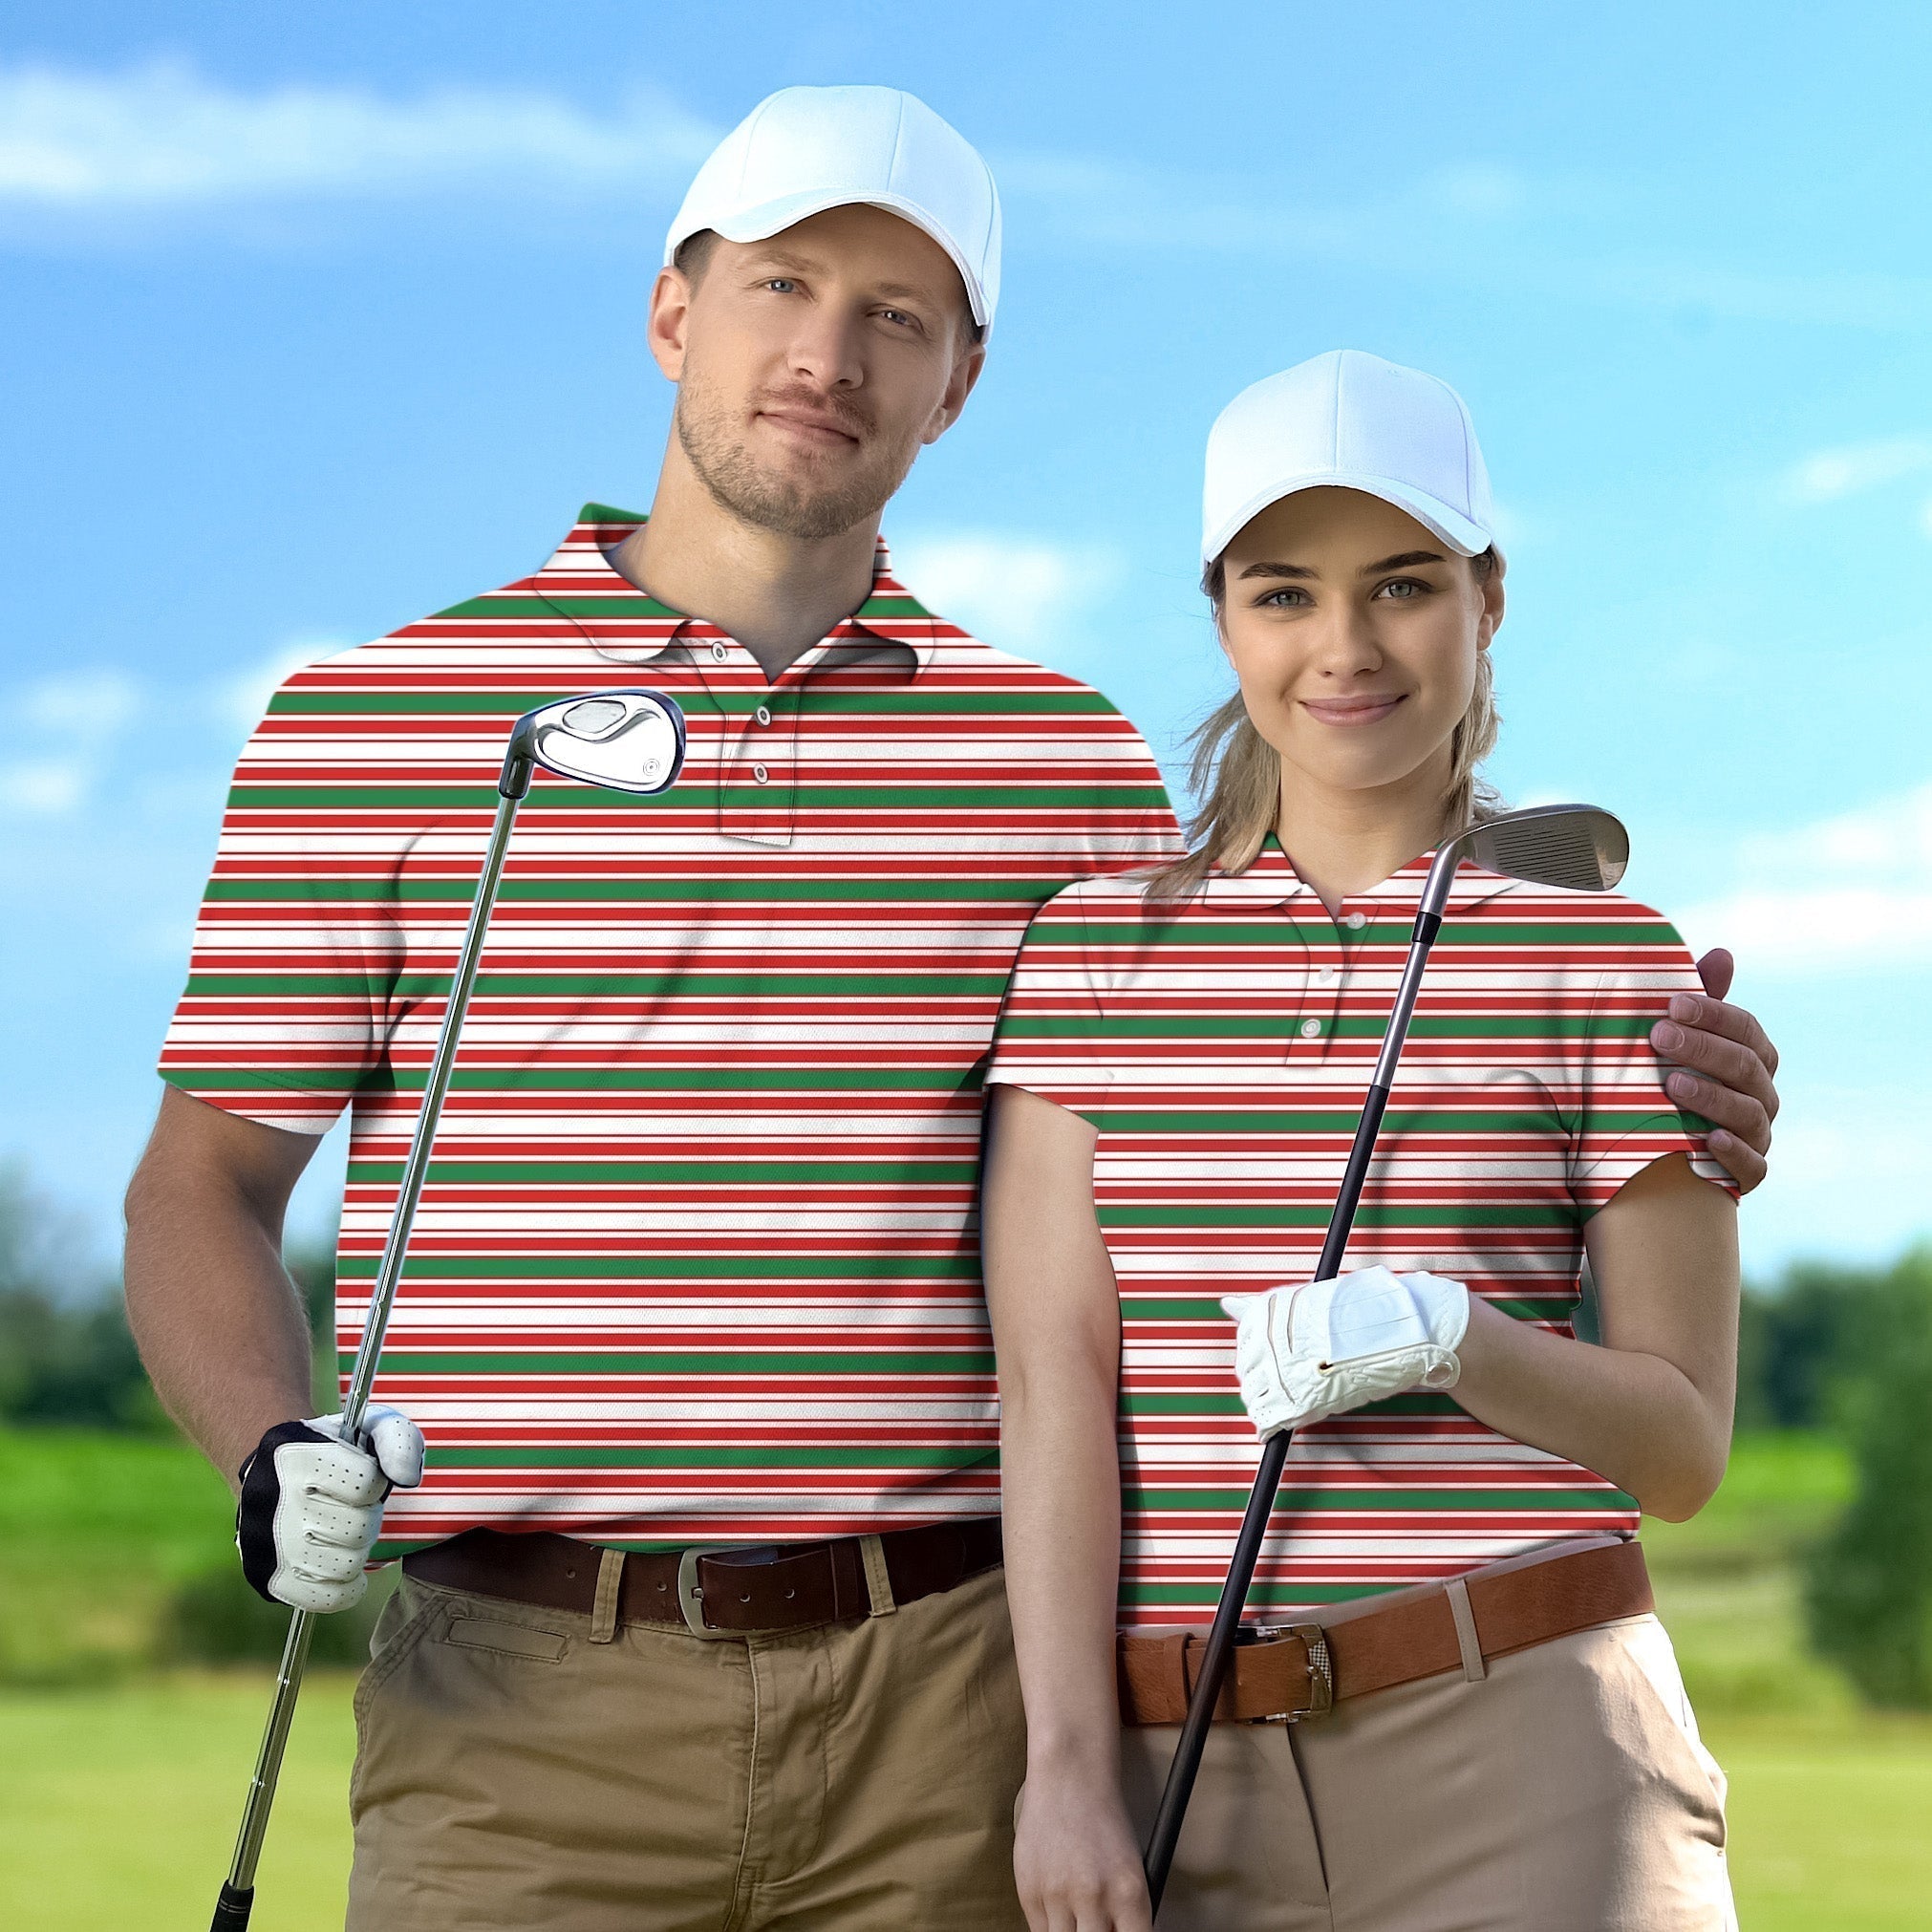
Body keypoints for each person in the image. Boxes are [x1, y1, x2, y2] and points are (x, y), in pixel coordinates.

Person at [120, 86, 1777, 1929]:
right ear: (674, 310)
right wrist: (269, 1451)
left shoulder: (1055, 760)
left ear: (958, 380)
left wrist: (1657, 1072)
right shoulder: (377, 720)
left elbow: (1252, 1102)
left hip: (945, 1699)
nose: (826, 355)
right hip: (515, 1703)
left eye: (894, 316)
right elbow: (200, 1187)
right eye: (782, 287)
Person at [983, 351, 1748, 1930]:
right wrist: (1062, 1765)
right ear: (1220, 618)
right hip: (1180, 1769)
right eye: (1283, 594)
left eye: (1400, 585)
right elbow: (1051, 1377)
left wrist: (1450, 1336)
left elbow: (1678, 1451)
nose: (1343, 647)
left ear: (1485, 600)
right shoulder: (1093, 953)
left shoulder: (1602, 955)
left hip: (1532, 1736)